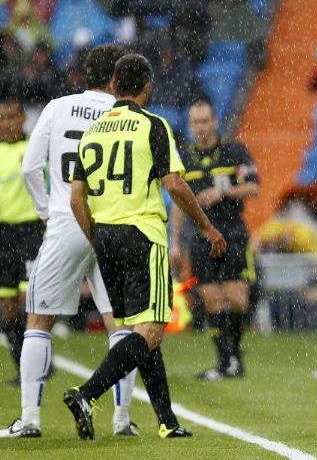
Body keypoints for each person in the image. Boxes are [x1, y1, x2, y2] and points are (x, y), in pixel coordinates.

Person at [66, 53, 226, 440]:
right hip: (142, 234)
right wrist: (206, 227)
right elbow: (173, 184)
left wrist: (96, 237)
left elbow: (76, 199)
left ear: (114, 86)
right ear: (147, 87)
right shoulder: (153, 125)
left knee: (142, 334)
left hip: (105, 235)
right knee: (151, 330)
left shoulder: (93, 131)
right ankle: (86, 394)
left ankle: (167, 421)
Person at [0, 44, 141, 439]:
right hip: (112, 225)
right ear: (116, 79)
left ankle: (30, 418)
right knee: (121, 325)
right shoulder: (127, 116)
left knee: (39, 322)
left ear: (84, 75)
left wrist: (47, 210)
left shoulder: (58, 107)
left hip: (67, 223)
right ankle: (122, 419)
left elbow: (31, 166)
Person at [170, 99, 258, 381]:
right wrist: (175, 242)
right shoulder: (184, 158)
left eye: (205, 121)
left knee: (237, 299)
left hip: (231, 230)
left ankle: (234, 353)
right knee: (210, 298)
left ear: (215, 121)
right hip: (201, 235)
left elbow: (253, 187)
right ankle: (224, 363)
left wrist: (224, 193)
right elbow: (177, 202)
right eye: (195, 122)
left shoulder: (234, 150)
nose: (200, 127)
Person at [0, 97, 44, 388]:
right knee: (7, 305)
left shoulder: (33, 149)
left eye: (11, 117)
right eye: (1, 118)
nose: (5, 123)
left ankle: (38, 364)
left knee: (31, 303)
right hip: (3, 235)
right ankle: (22, 367)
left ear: (23, 119)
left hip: (30, 232)